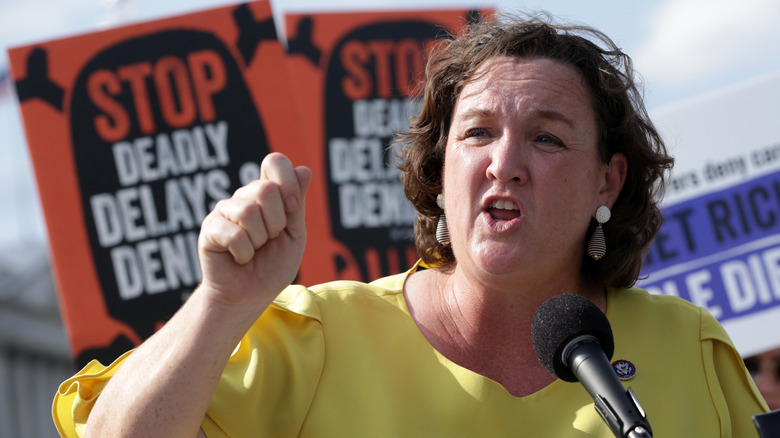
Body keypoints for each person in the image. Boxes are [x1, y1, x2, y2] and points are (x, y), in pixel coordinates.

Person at [53, 12, 768, 437]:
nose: (505, 164)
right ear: (440, 167)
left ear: (607, 180)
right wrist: (222, 304)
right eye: (478, 133)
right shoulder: (316, 338)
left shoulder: (689, 349)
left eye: (547, 139)